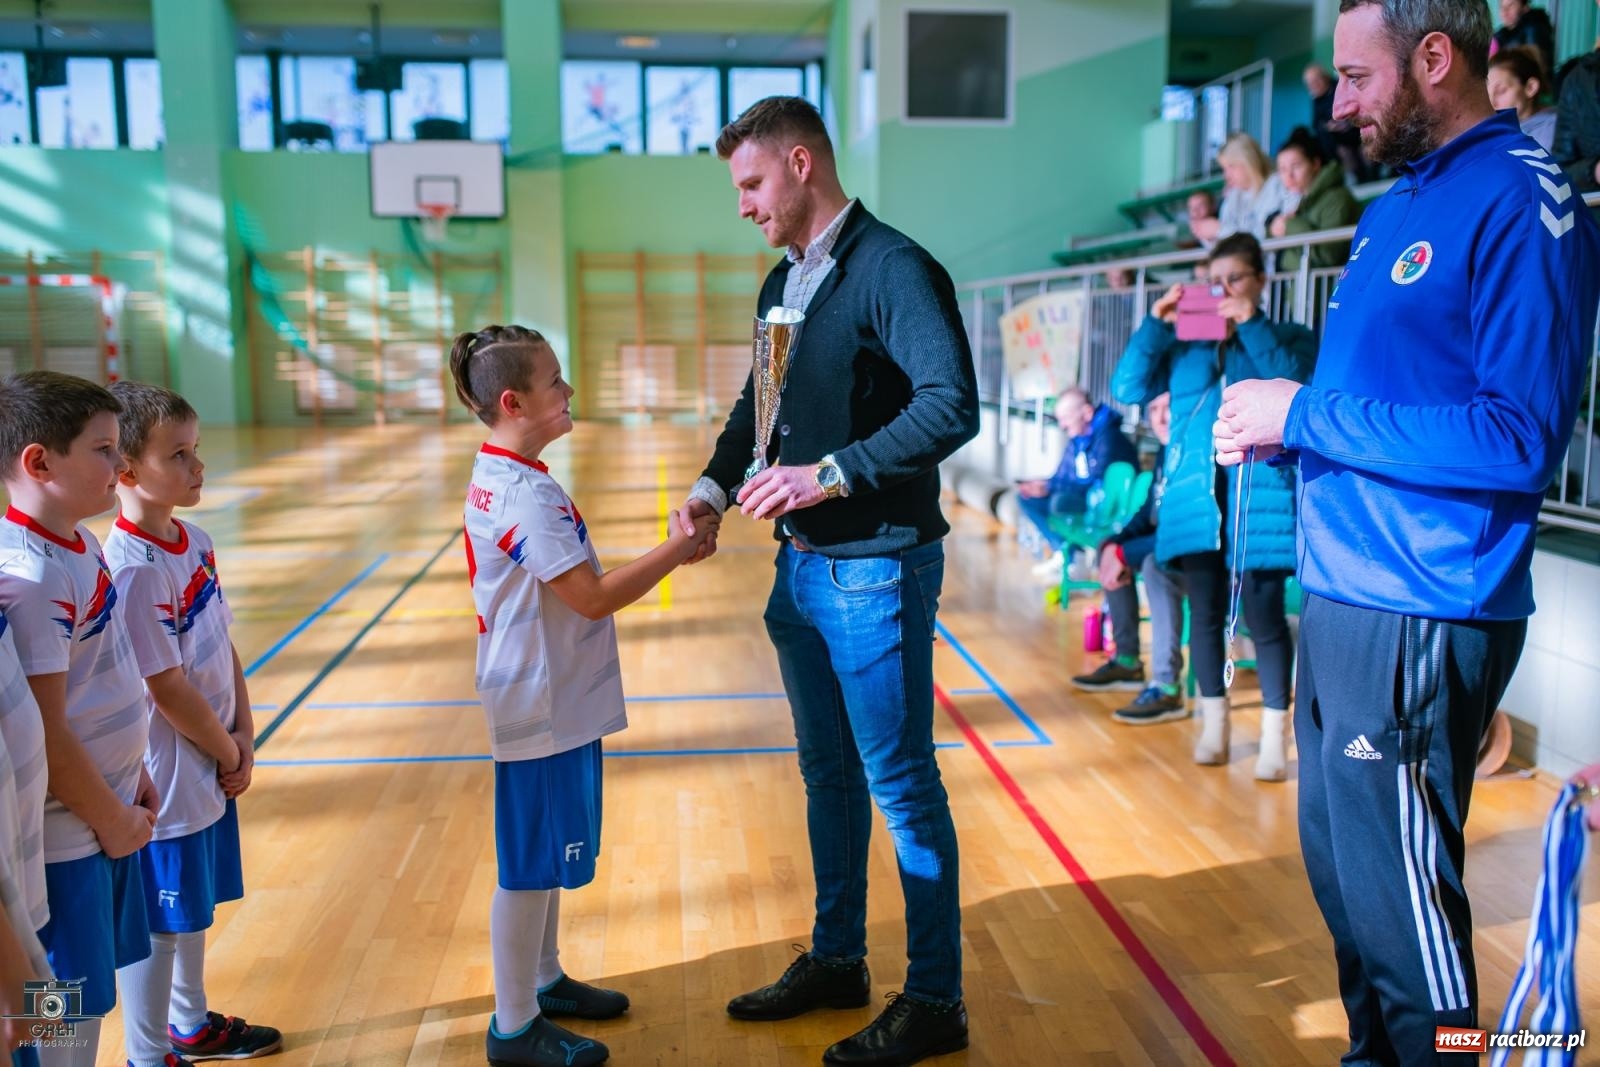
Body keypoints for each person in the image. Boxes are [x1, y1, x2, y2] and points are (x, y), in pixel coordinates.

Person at [1213, 0, 1600, 1056]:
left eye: (1354, 78)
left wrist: (1307, 413)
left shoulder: (1527, 200)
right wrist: (1281, 431)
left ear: (1435, 57)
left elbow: (1517, 436)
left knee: (1402, 904)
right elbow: (1376, 407)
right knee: (1347, 881)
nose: (1337, 107)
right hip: (1342, 588)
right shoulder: (1394, 207)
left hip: (1422, 597)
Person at [677, 96, 979, 1067]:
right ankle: (839, 957)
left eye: (751, 183)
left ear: (801, 165)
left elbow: (951, 404)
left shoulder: (895, 269)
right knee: (828, 775)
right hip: (798, 574)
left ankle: (935, 997)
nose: (743, 205)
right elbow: (755, 406)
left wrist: (830, 472)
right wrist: (712, 485)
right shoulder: (782, 279)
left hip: (875, 571)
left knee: (899, 783)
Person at [453, 324, 717, 1067]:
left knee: (543, 857)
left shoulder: (514, 473)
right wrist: (679, 546)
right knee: (528, 864)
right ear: (514, 400)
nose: (569, 391)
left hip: (549, 691)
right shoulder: (521, 495)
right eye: (556, 381)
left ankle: (542, 979)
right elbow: (592, 598)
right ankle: (512, 1027)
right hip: (537, 700)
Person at [103, 382, 281, 1067]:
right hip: (172, 776)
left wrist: (245, 732)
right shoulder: (132, 570)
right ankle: (148, 1054)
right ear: (126, 472)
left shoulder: (195, 539)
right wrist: (223, 745)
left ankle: (189, 1023)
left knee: (189, 914)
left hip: (210, 757)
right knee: (160, 925)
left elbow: (220, 639)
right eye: (178, 455)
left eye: (196, 450)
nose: (197, 466)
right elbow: (166, 684)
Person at [1112, 233, 1315, 781]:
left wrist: (1249, 322)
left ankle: (1275, 737)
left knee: (1264, 620)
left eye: (1235, 279)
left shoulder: (1285, 336)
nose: (1222, 290)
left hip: (1263, 504)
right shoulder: (1182, 347)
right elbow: (1127, 386)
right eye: (1213, 280)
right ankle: (1213, 726)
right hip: (1194, 508)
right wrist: (1157, 324)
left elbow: (1298, 382)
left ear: (1260, 281)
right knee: (1201, 617)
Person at [0, 372, 155, 1067]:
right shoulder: (31, 578)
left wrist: (135, 773)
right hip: (72, 838)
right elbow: (47, 728)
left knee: (86, 1000)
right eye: (102, 450)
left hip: (103, 816)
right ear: (38, 463)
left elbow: (102, 681)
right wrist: (114, 816)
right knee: (58, 1011)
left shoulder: (76, 542)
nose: (119, 466)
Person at [1071, 392, 1190, 725]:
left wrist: (1125, 552)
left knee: (1153, 566)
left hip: (1196, 557)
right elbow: (1149, 513)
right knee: (1109, 550)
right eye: (1154, 410)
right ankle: (1126, 661)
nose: (1161, 418)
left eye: (1169, 408)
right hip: (1163, 544)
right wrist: (1117, 543)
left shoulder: (1197, 453)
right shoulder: (1168, 451)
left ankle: (1167, 687)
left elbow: (1179, 529)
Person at [1015, 386, 1137, 579]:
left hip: (1102, 509)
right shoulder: (1078, 439)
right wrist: (1040, 486)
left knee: (1060, 503)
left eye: (1065, 417)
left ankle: (1075, 559)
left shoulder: (1110, 439)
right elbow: (1061, 477)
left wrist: (1049, 488)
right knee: (1027, 498)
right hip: (1081, 498)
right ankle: (1064, 553)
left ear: (1087, 412)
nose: (1062, 425)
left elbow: (1098, 485)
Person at [0, 605, 48, 1067]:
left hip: (28, 890)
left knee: (70, 1006)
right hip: (70, 842)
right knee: (56, 1012)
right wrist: (16, 976)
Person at [1271, 129, 1364, 270]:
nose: (1289, 175)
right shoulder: (1302, 199)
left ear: (1315, 164)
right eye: (1282, 169)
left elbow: (1329, 254)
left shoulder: (1337, 198)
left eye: (1296, 166)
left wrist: (1288, 225)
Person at [1190, 133, 1298, 246]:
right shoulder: (1233, 196)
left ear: (1248, 161)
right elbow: (1222, 249)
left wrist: (1220, 230)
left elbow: (1267, 236)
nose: (1226, 175)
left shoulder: (1277, 184)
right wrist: (1207, 234)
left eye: (1231, 166)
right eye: (1224, 169)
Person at [1305, 62, 1374, 182]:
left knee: (1367, 149)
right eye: (1310, 84)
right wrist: (1329, 126)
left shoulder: (1340, 86)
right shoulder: (1316, 100)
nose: (1314, 86)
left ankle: (1373, 174)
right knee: (1343, 151)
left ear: (1324, 77)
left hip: (1357, 128)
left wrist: (1348, 121)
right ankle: (1357, 178)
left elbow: (1360, 104)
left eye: (1317, 80)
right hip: (1340, 138)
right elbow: (1316, 124)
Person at [1489, 46, 1557, 150]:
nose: (1492, 102)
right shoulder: (1499, 128)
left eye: (1501, 91)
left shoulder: (1551, 130)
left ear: (1530, 87)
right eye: (1487, 94)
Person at [1490, 0, 1553, 84]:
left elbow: (1537, 69)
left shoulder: (1533, 29)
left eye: (1511, 5)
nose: (1505, 11)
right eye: (1502, 7)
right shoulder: (1500, 36)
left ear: (1525, 8)